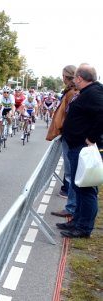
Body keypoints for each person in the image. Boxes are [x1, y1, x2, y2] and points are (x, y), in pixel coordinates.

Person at [58, 63, 103, 238]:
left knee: (86, 189)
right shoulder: (88, 92)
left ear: (79, 78)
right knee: (78, 186)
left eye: (76, 78)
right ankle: (77, 220)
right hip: (77, 146)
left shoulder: (94, 92)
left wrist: (90, 138)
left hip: (83, 148)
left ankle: (84, 227)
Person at [47, 65, 79, 218]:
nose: (62, 79)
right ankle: (72, 206)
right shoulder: (72, 92)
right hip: (70, 135)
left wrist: (60, 129)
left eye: (63, 76)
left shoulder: (71, 93)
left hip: (70, 136)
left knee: (71, 173)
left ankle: (72, 207)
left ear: (67, 77)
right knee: (72, 173)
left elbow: (69, 115)